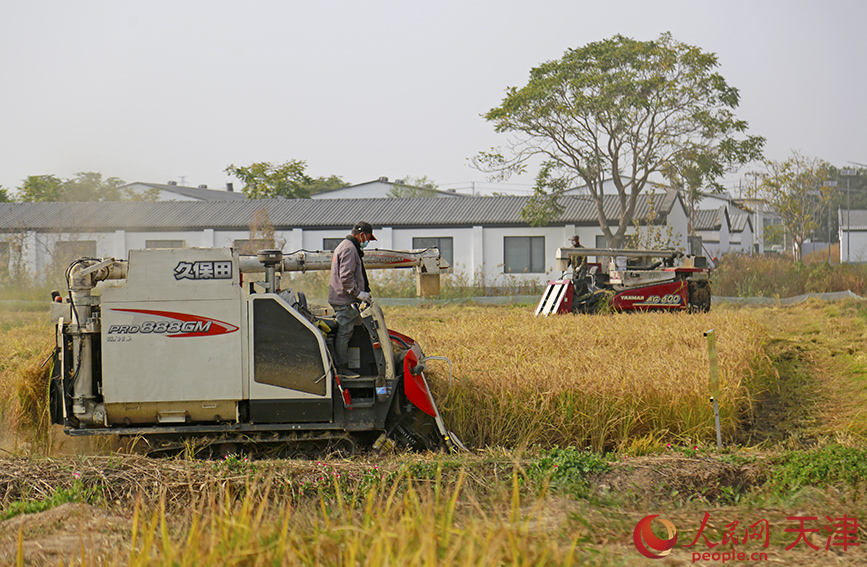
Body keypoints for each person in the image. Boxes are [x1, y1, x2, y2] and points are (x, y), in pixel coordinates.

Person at [328, 221, 376, 378]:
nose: (367, 241)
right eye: (368, 238)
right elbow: (346, 276)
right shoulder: (349, 249)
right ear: (361, 235)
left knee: (345, 331)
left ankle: (343, 366)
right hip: (345, 299)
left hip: (342, 297)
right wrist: (358, 294)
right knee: (345, 332)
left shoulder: (345, 246)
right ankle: (342, 369)